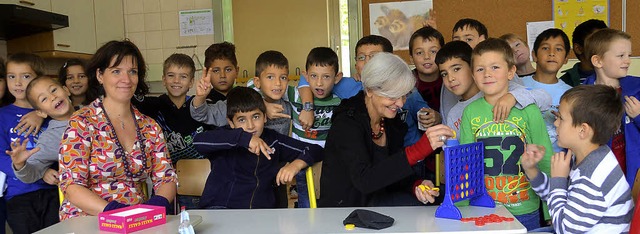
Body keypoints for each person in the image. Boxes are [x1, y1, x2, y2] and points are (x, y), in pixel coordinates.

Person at [58, 40, 177, 220]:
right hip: (87, 219)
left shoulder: (150, 127)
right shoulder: (82, 122)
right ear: (99, 75)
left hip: (136, 221)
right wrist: (115, 212)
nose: (126, 79)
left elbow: (167, 177)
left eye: (132, 72)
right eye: (116, 71)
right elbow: (72, 186)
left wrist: (157, 203)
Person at [319, 52, 453, 207]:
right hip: (345, 210)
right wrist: (418, 150)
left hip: (379, 204)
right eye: (393, 96)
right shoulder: (346, 123)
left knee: (436, 202)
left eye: (404, 96)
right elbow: (365, 181)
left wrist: (416, 185)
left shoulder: (390, 121)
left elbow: (390, 172)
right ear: (369, 90)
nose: (401, 104)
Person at [459, 38, 553, 230]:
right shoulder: (470, 112)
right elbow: (465, 164)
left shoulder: (529, 109)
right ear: (473, 76)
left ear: (511, 72)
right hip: (483, 208)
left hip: (524, 208)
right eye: (480, 69)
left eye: (495, 67)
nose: (487, 74)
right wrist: (463, 207)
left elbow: (545, 158)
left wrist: (550, 209)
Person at [522, 85, 634, 233]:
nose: (555, 123)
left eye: (561, 118)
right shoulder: (589, 155)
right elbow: (559, 197)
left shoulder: (592, 176)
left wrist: (559, 179)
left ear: (583, 130)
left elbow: (565, 230)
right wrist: (532, 170)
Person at [193, 87, 322, 209]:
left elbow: (316, 150)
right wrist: (244, 138)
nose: (250, 126)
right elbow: (198, 142)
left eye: (256, 117)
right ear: (231, 123)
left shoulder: (274, 141)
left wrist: (296, 165)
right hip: (220, 210)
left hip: (261, 214)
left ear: (265, 117)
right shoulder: (224, 137)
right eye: (242, 120)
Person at [297, 35, 432, 147]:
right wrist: (308, 107)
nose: (368, 62)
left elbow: (425, 112)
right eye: (361, 57)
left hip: (410, 153)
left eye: (374, 57)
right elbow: (309, 78)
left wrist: (433, 117)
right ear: (356, 65)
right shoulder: (348, 85)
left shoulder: (406, 88)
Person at [133, 53, 213, 209]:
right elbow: (130, 96)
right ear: (164, 79)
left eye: (183, 77)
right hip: (163, 181)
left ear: (191, 82)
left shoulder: (200, 107)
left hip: (197, 182)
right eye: (171, 76)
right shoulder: (153, 106)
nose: (176, 81)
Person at [436, 41, 550, 135]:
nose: (450, 78)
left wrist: (513, 97)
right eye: (444, 74)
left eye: (456, 69)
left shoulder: (503, 90)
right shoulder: (453, 114)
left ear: (472, 69)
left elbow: (545, 99)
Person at [0, 53, 58, 233]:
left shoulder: (51, 113)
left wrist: (41, 113)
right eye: (11, 76)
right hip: (20, 194)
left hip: (52, 191)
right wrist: (41, 173)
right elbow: (1, 156)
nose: (17, 83)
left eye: (25, 76)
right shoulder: (2, 115)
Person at [583, 28, 640, 186]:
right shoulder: (581, 96)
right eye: (621, 56)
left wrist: (638, 116)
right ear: (598, 61)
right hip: (597, 176)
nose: (628, 61)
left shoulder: (637, 89)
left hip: (632, 176)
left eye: (629, 55)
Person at [286, 47, 342, 208]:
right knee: (305, 196)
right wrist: (267, 105)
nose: (319, 83)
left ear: (337, 78)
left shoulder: (340, 101)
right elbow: (256, 87)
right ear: (305, 76)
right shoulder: (295, 95)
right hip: (301, 160)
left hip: (327, 162)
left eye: (326, 77)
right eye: (313, 76)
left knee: (326, 199)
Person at [9, 76, 74, 185]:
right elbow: (31, 174)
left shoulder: (94, 111)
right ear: (41, 113)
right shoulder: (50, 137)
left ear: (66, 90)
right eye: (44, 99)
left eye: (53, 90)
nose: (53, 97)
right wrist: (20, 165)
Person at [521, 28, 572, 153]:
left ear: (566, 58)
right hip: (522, 160)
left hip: (556, 164)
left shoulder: (570, 94)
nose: (552, 53)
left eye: (558, 49)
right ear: (534, 55)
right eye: (545, 48)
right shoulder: (519, 85)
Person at [560, 19, 607, 86]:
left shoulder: (617, 76)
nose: (604, 46)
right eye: (597, 41)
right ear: (578, 49)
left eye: (607, 42)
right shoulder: (565, 82)